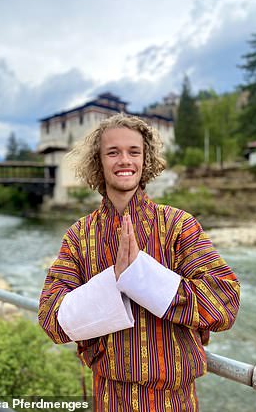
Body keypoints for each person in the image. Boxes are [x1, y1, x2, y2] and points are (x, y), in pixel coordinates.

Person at [38, 114, 240, 411]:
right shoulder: (79, 236)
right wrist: (113, 281)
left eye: (134, 152)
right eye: (113, 152)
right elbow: (51, 320)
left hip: (174, 402)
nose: (124, 160)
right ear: (99, 161)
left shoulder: (178, 226)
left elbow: (225, 303)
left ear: (145, 160)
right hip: (108, 399)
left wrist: (141, 277)